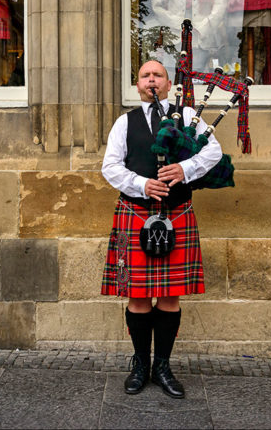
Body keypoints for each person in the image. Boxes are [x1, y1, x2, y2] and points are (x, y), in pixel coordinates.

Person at [101, 60, 222, 398]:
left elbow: (214, 151)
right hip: (135, 213)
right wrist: (141, 184)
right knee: (137, 296)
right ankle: (140, 364)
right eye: (145, 75)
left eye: (158, 75)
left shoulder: (187, 118)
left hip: (176, 214)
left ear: (169, 84)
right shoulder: (125, 122)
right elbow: (109, 167)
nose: (151, 80)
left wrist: (185, 168)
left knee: (170, 296)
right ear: (137, 85)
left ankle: (163, 366)